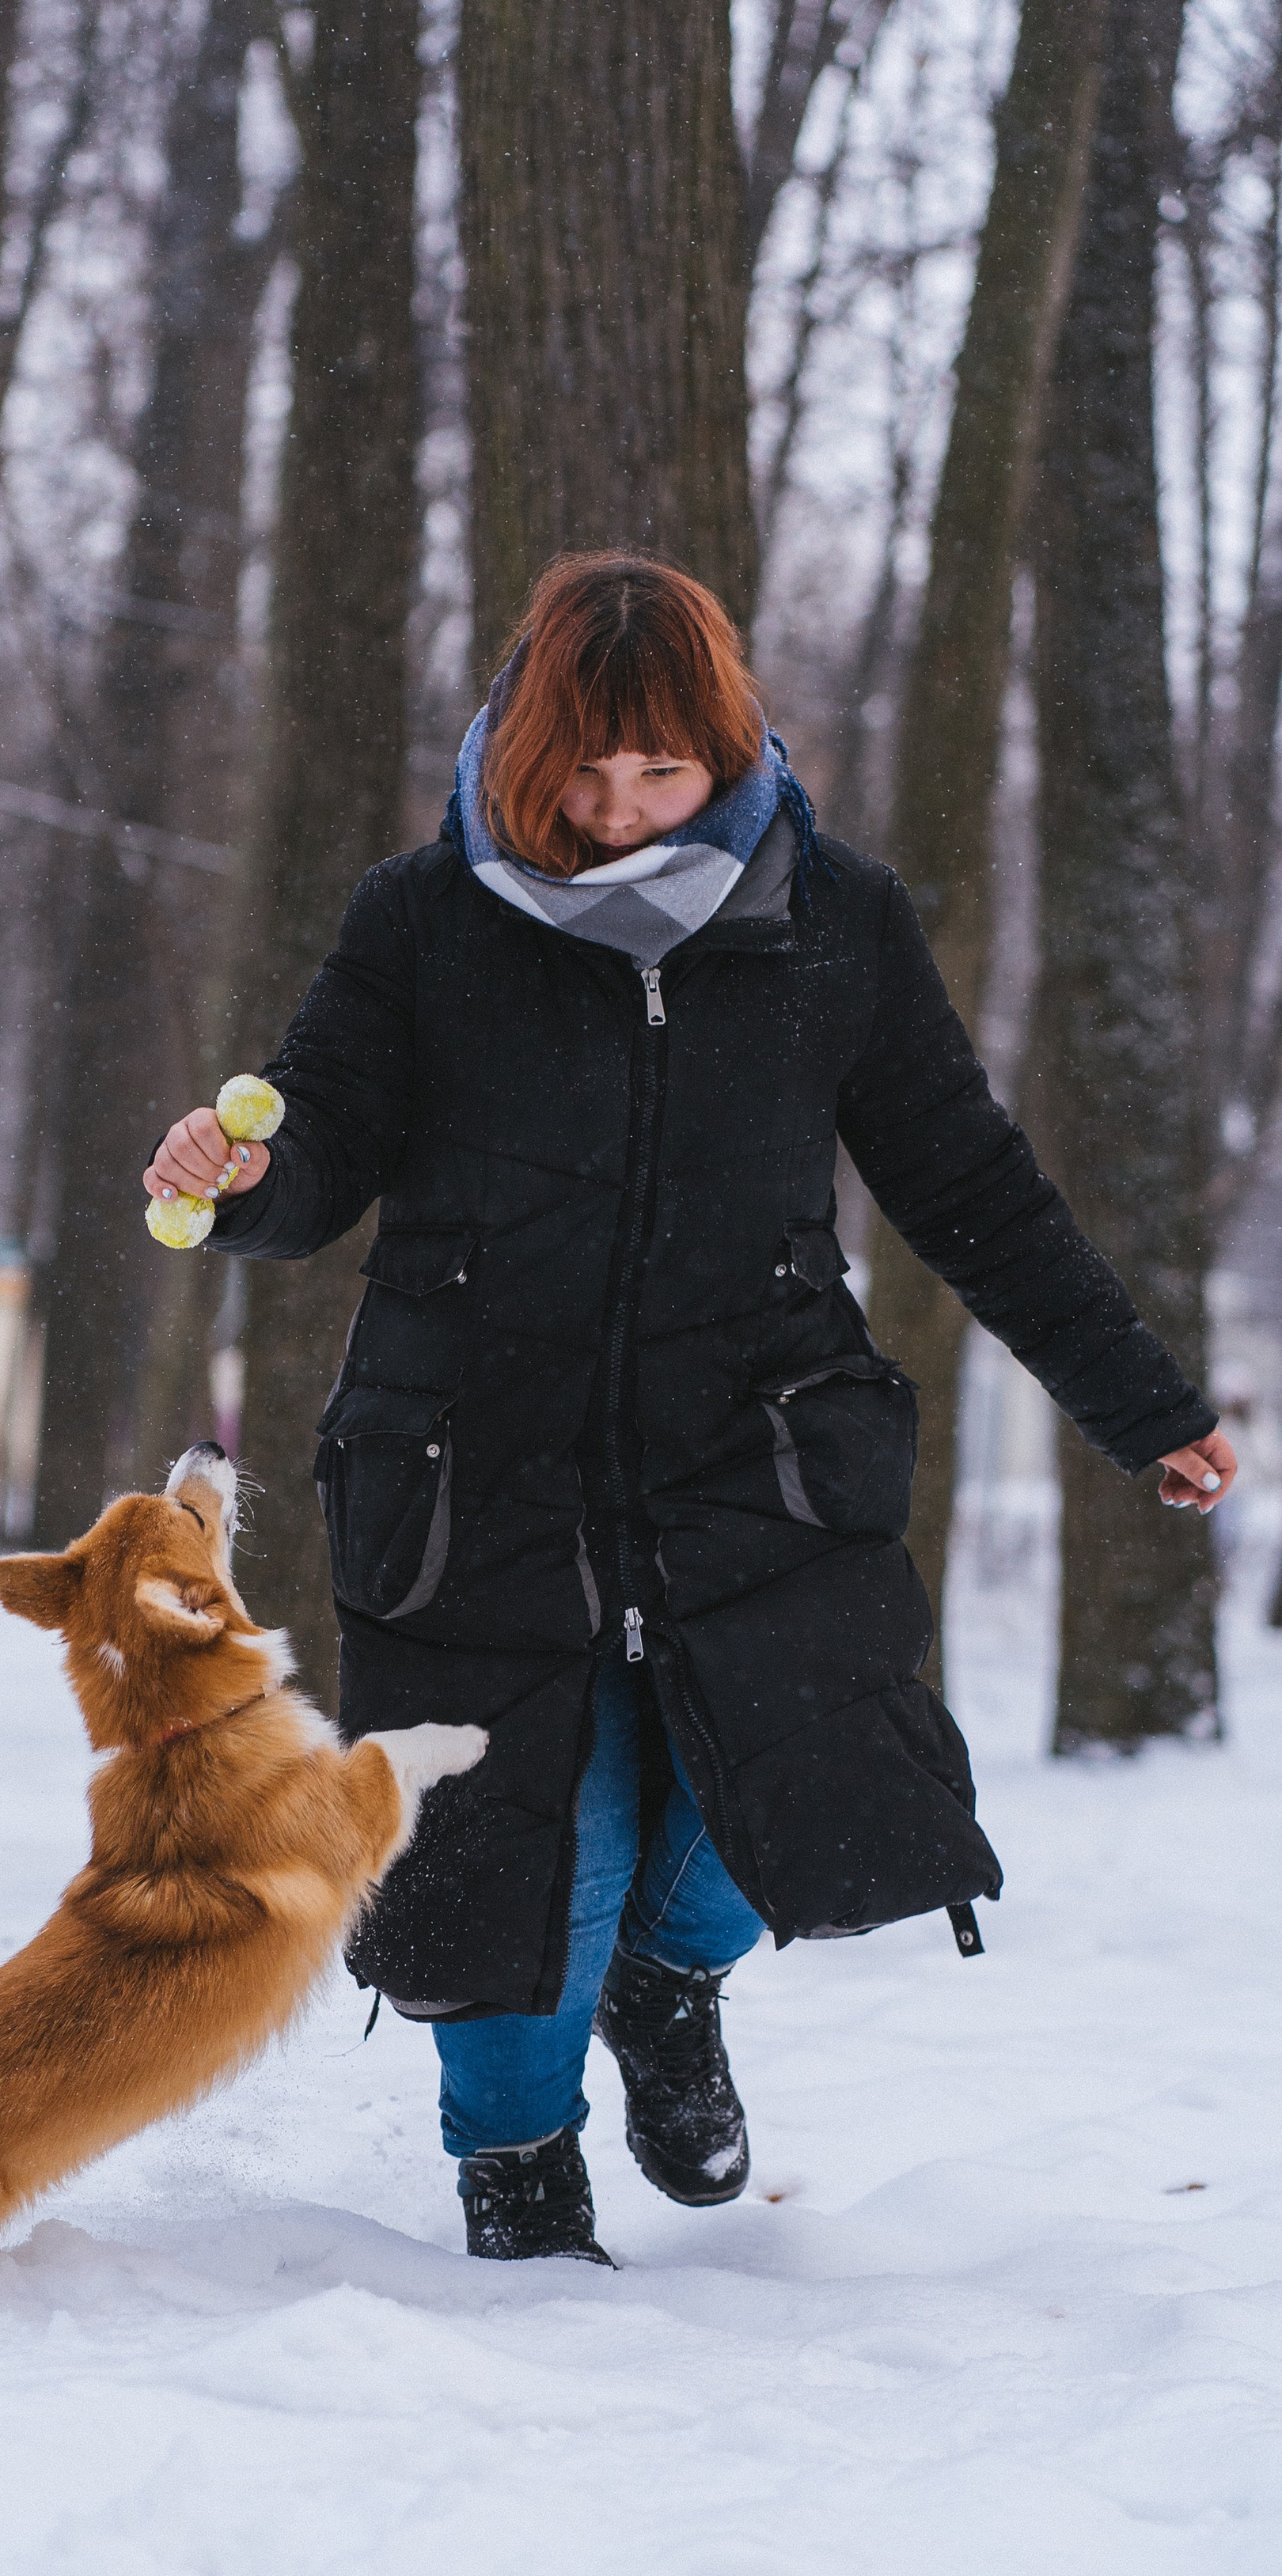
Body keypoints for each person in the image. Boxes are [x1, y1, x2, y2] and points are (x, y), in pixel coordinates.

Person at [142, 553, 1237, 2264]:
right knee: (514, 1860)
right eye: (577, 771)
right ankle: (516, 2175)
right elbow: (323, 1152)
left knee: (774, 1792)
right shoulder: (421, 920)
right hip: (472, 1466)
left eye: (657, 772)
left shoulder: (833, 921)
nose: (614, 810)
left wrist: (1136, 1401)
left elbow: (969, 1185)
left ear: (725, 749)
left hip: (756, 1454)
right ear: (517, 747)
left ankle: (665, 1989)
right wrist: (239, 1176)